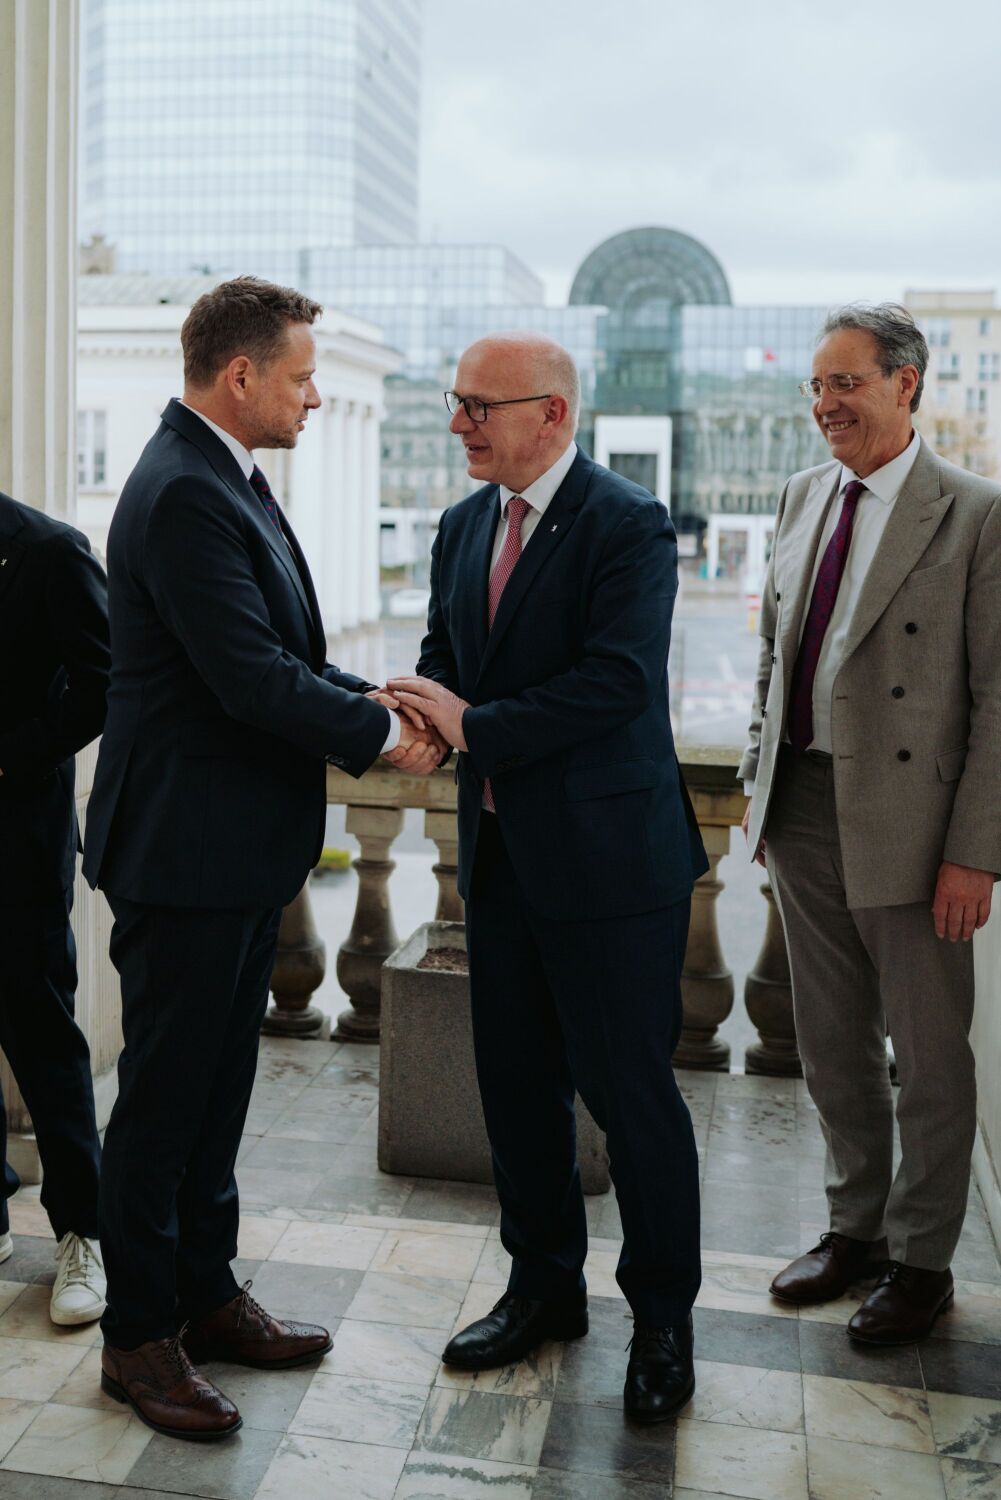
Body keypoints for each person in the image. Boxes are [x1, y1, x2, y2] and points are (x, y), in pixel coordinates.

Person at [83, 276, 440, 1441]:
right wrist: (386, 736)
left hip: (229, 849)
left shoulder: (223, 476)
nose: (313, 396)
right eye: (298, 376)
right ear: (239, 377)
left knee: (216, 1094)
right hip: (184, 852)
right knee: (163, 1108)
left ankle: (203, 1292)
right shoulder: (184, 491)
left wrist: (370, 692)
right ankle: (138, 1338)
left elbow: (282, 651)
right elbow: (246, 678)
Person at [389, 332, 708, 1423]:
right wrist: (423, 713)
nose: (459, 422)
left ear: (553, 415)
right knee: (516, 1093)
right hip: (501, 862)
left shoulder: (626, 523)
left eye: (482, 405)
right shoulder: (458, 524)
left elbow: (614, 685)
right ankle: (542, 1292)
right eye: (456, 401)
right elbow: (446, 651)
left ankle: (662, 1320)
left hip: (614, 870)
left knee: (632, 1102)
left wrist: (472, 725)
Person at [740, 303, 1001, 1344]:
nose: (822, 406)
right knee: (829, 1042)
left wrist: (973, 853)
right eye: (813, 386)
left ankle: (922, 1260)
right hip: (802, 803)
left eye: (842, 383)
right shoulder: (802, 495)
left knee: (929, 1056)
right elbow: (772, 654)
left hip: (913, 822)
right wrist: (762, 787)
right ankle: (853, 1229)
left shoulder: (974, 512)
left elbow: (996, 700)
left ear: (905, 384)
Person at [0, 491, 109, 1327]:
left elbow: (104, 681)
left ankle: (83, 1231)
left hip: (17, 842)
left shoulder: (48, 548)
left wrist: (11, 759)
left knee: (43, 1036)